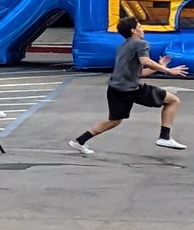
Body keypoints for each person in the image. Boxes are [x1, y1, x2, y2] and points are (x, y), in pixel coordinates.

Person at [72, 13, 187, 153]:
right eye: (140, 26)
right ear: (133, 30)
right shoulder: (141, 44)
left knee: (114, 120)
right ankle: (164, 137)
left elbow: (138, 73)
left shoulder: (122, 47)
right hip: (130, 89)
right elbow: (145, 62)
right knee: (173, 101)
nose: (143, 29)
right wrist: (168, 71)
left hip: (115, 88)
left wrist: (159, 66)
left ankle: (79, 141)